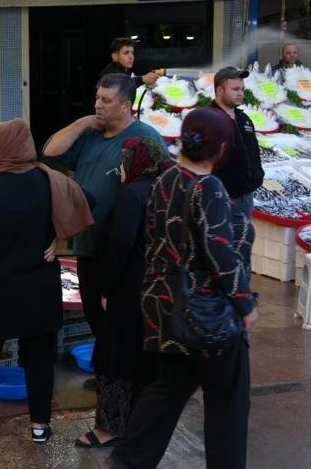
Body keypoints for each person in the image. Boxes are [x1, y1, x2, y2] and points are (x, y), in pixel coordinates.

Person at [109, 108, 260, 469]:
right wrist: (245, 304)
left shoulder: (166, 179)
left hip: (165, 310)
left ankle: (127, 462)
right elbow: (219, 253)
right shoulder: (209, 188)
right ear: (222, 148)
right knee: (227, 405)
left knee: (166, 391)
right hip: (208, 316)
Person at [0, 118, 93, 444]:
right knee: (38, 356)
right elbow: (88, 202)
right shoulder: (49, 181)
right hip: (38, 287)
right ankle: (40, 426)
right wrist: (59, 236)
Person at [43, 73, 166, 389]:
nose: (98, 105)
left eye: (106, 100)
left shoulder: (145, 138)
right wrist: (84, 122)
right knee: (94, 313)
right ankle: (109, 376)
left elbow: (163, 185)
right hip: (88, 242)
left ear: (126, 105)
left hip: (125, 249)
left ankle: (124, 382)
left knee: (121, 318)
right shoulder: (91, 135)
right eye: (97, 98)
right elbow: (51, 151)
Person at [75, 136, 172, 449]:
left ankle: (109, 428)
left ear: (137, 162)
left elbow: (121, 243)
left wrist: (105, 286)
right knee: (144, 358)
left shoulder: (133, 194)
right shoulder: (167, 188)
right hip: (158, 288)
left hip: (129, 288)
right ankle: (140, 424)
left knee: (116, 357)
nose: (120, 168)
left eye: (124, 161)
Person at [211, 66, 264, 277]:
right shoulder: (209, 120)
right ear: (219, 91)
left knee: (243, 247)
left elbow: (253, 152)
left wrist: (257, 176)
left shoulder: (244, 119)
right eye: (235, 89)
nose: (241, 93)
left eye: (242, 88)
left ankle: (242, 288)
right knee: (226, 254)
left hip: (246, 197)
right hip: (224, 199)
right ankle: (231, 290)